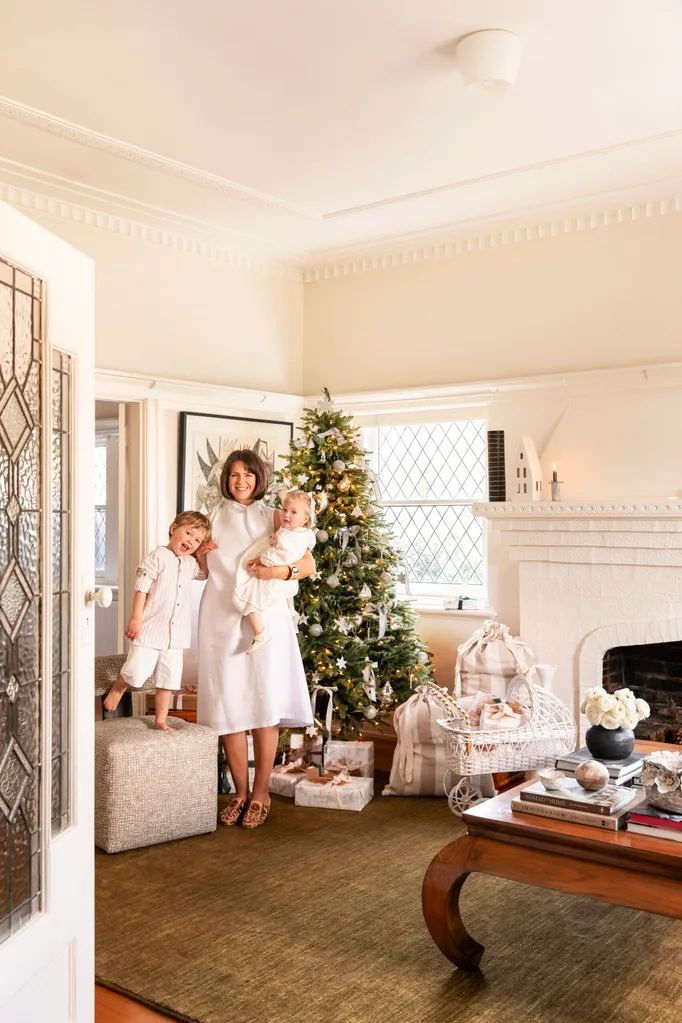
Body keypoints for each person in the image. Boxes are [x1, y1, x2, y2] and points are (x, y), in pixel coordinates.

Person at [196, 450, 315, 830]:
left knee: (265, 702)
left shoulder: (275, 515)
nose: (240, 480)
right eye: (233, 475)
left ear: (258, 477)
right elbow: (199, 566)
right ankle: (239, 792)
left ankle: (261, 792)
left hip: (268, 619)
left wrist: (280, 571)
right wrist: (200, 554)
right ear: (225, 480)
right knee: (228, 705)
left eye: (247, 474)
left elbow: (308, 564)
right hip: (220, 618)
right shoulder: (212, 516)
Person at [103, 510, 213, 730]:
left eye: (197, 540)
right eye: (188, 533)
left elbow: (205, 573)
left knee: (168, 680)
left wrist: (201, 553)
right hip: (151, 628)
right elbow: (141, 587)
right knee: (137, 670)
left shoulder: (190, 563)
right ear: (174, 529)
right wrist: (136, 618)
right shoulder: (158, 556)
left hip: (176, 635)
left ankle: (160, 720)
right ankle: (119, 687)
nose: (191, 541)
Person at [235, 488, 316, 653]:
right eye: (285, 510)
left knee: (247, 595)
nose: (286, 514)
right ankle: (289, 611)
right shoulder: (294, 531)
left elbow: (281, 557)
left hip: (274, 578)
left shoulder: (290, 535)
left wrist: (261, 561)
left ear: (305, 519)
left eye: (293, 512)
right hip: (282, 582)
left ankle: (260, 632)